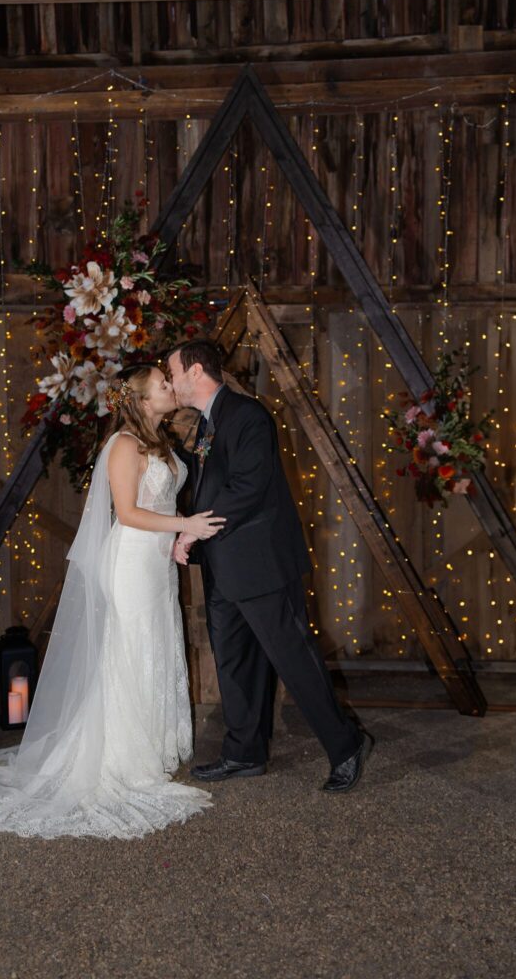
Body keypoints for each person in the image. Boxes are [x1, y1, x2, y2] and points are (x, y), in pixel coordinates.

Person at [0, 364, 222, 839]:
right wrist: (183, 527)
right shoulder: (123, 445)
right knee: (130, 650)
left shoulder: (161, 441)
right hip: (131, 564)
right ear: (144, 401)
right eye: (163, 384)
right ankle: (122, 757)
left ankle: (152, 743)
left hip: (157, 562)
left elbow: (160, 504)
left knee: (156, 642)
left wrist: (180, 534)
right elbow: (127, 512)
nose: (170, 386)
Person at [167, 339, 373, 793]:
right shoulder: (206, 424)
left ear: (196, 371)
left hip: (260, 564)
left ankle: (346, 745)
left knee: (293, 659)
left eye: (174, 372)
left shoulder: (248, 416)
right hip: (222, 565)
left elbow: (247, 487)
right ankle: (244, 752)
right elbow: (209, 480)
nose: (171, 381)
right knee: (234, 663)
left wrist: (192, 531)